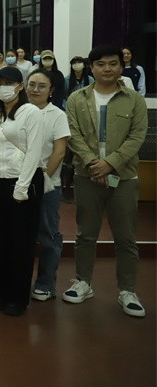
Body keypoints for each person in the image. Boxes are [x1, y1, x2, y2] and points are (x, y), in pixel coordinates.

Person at [63, 45, 147, 317]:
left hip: (123, 177)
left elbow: (137, 136)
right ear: (92, 68)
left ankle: (127, 290)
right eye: (100, 64)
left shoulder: (134, 99)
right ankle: (83, 282)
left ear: (121, 67)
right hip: (87, 175)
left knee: (125, 237)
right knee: (85, 234)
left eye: (113, 63)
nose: (107, 69)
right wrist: (93, 163)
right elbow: (73, 134)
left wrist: (110, 163)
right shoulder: (77, 98)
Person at [0, 66, 44, 316]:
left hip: (24, 181)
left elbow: (34, 152)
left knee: (21, 241)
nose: (3, 88)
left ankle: (18, 297)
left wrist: (21, 187)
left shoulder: (30, 112)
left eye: (8, 83)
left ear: (20, 86)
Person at [25, 70, 70, 302]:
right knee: (19, 235)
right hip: (18, 184)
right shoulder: (18, 111)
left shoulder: (57, 115)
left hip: (46, 185)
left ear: (51, 90)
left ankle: (45, 283)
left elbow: (59, 152)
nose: (35, 89)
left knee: (47, 235)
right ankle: (19, 281)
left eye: (41, 86)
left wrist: (41, 179)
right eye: (31, 84)